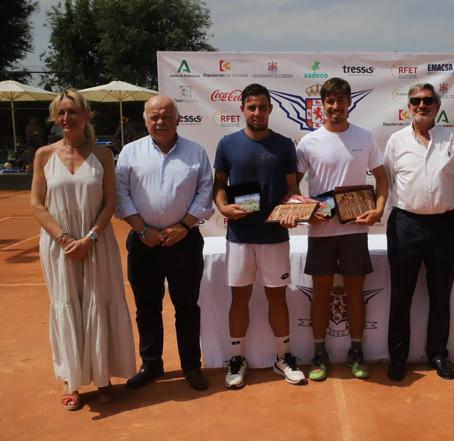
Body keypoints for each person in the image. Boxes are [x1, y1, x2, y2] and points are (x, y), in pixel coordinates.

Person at [30, 90, 135, 411]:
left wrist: (89, 238)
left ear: (87, 116)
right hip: (58, 245)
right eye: (61, 113)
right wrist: (64, 240)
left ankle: (102, 376)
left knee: (98, 303)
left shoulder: (103, 155)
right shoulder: (43, 155)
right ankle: (71, 380)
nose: (66, 118)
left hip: (97, 243)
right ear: (54, 117)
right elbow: (36, 203)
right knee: (66, 305)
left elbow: (110, 204)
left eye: (73, 112)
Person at [116, 95, 214, 391]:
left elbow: (205, 192)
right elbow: (121, 194)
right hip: (143, 242)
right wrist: (142, 229)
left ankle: (191, 366)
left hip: (184, 241)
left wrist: (184, 226)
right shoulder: (130, 153)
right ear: (145, 121)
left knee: (187, 307)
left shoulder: (196, 153)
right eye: (154, 117)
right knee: (146, 308)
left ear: (177, 120)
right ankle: (152, 365)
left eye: (166, 116)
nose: (160, 122)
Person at [213, 83, 305, 388]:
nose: (256, 112)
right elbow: (219, 187)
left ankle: (283, 358)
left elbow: (292, 188)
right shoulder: (227, 144)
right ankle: (237, 359)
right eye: (251, 107)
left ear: (270, 109)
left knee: (276, 296)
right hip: (239, 236)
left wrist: (290, 209)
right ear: (242, 109)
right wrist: (224, 209)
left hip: (275, 236)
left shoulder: (284, 145)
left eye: (262, 107)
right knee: (239, 297)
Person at [296, 77, 387, 381]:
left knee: (354, 292)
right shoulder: (308, 142)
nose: (336, 106)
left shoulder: (365, 137)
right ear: (322, 105)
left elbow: (382, 180)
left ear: (350, 103)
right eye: (330, 101)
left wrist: (378, 209)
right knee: (320, 294)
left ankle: (356, 351)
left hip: (355, 231)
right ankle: (319, 353)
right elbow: (291, 187)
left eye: (341, 101)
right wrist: (307, 210)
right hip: (321, 233)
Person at [383, 83, 454, 382]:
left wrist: (441, 208)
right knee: (400, 296)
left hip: (445, 226)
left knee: (441, 295)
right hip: (405, 225)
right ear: (408, 106)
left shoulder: (452, 139)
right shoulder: (396, 141)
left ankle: (438, 354)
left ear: (437, 105)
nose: (422, 105)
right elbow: (390, 182)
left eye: (428, 100)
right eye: (416, 100)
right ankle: (398, 358)